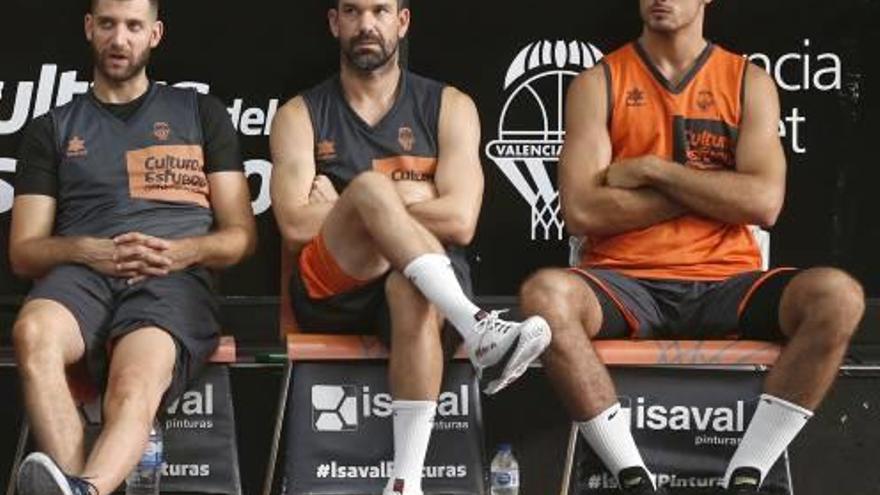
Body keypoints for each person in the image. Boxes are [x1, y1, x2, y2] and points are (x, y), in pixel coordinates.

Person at [519, 0, 865, 493]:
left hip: (729, 282)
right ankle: (632, 476)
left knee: (839, 298)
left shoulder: (748, 81)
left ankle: (746, 475)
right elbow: (583, 212)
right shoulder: (598, 82)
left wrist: (652, 171)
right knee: (544, 297)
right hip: (624, 281)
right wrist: (714, 189)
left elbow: (764, 203)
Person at [270, 1, 550, 493]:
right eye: (353, 12)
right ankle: (477, 324)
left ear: (402, 21)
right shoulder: (300, 114)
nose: (366, 25)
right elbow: (294, 224)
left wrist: (348, 206)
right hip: (335, 286)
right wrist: (398, 196)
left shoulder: (450, 106)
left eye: (380, 11)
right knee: (372, 189)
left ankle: (405, 483)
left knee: (409, 284)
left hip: (423, 282)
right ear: (335, 23)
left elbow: (462, 220)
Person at [9, 0, 257, 493]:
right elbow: (25, 251)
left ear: (155, 34)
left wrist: (182, 252)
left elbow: (241, 237)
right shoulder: (52, 128)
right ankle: (83, 488)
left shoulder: (199, 113)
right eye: (107, 24)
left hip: (171, 280)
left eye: (133, 27)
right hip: (84, 276)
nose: (119, 39)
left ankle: (86, 488)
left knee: (133, 384)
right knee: (32, 333)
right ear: (89, 28)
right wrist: (88, 250)